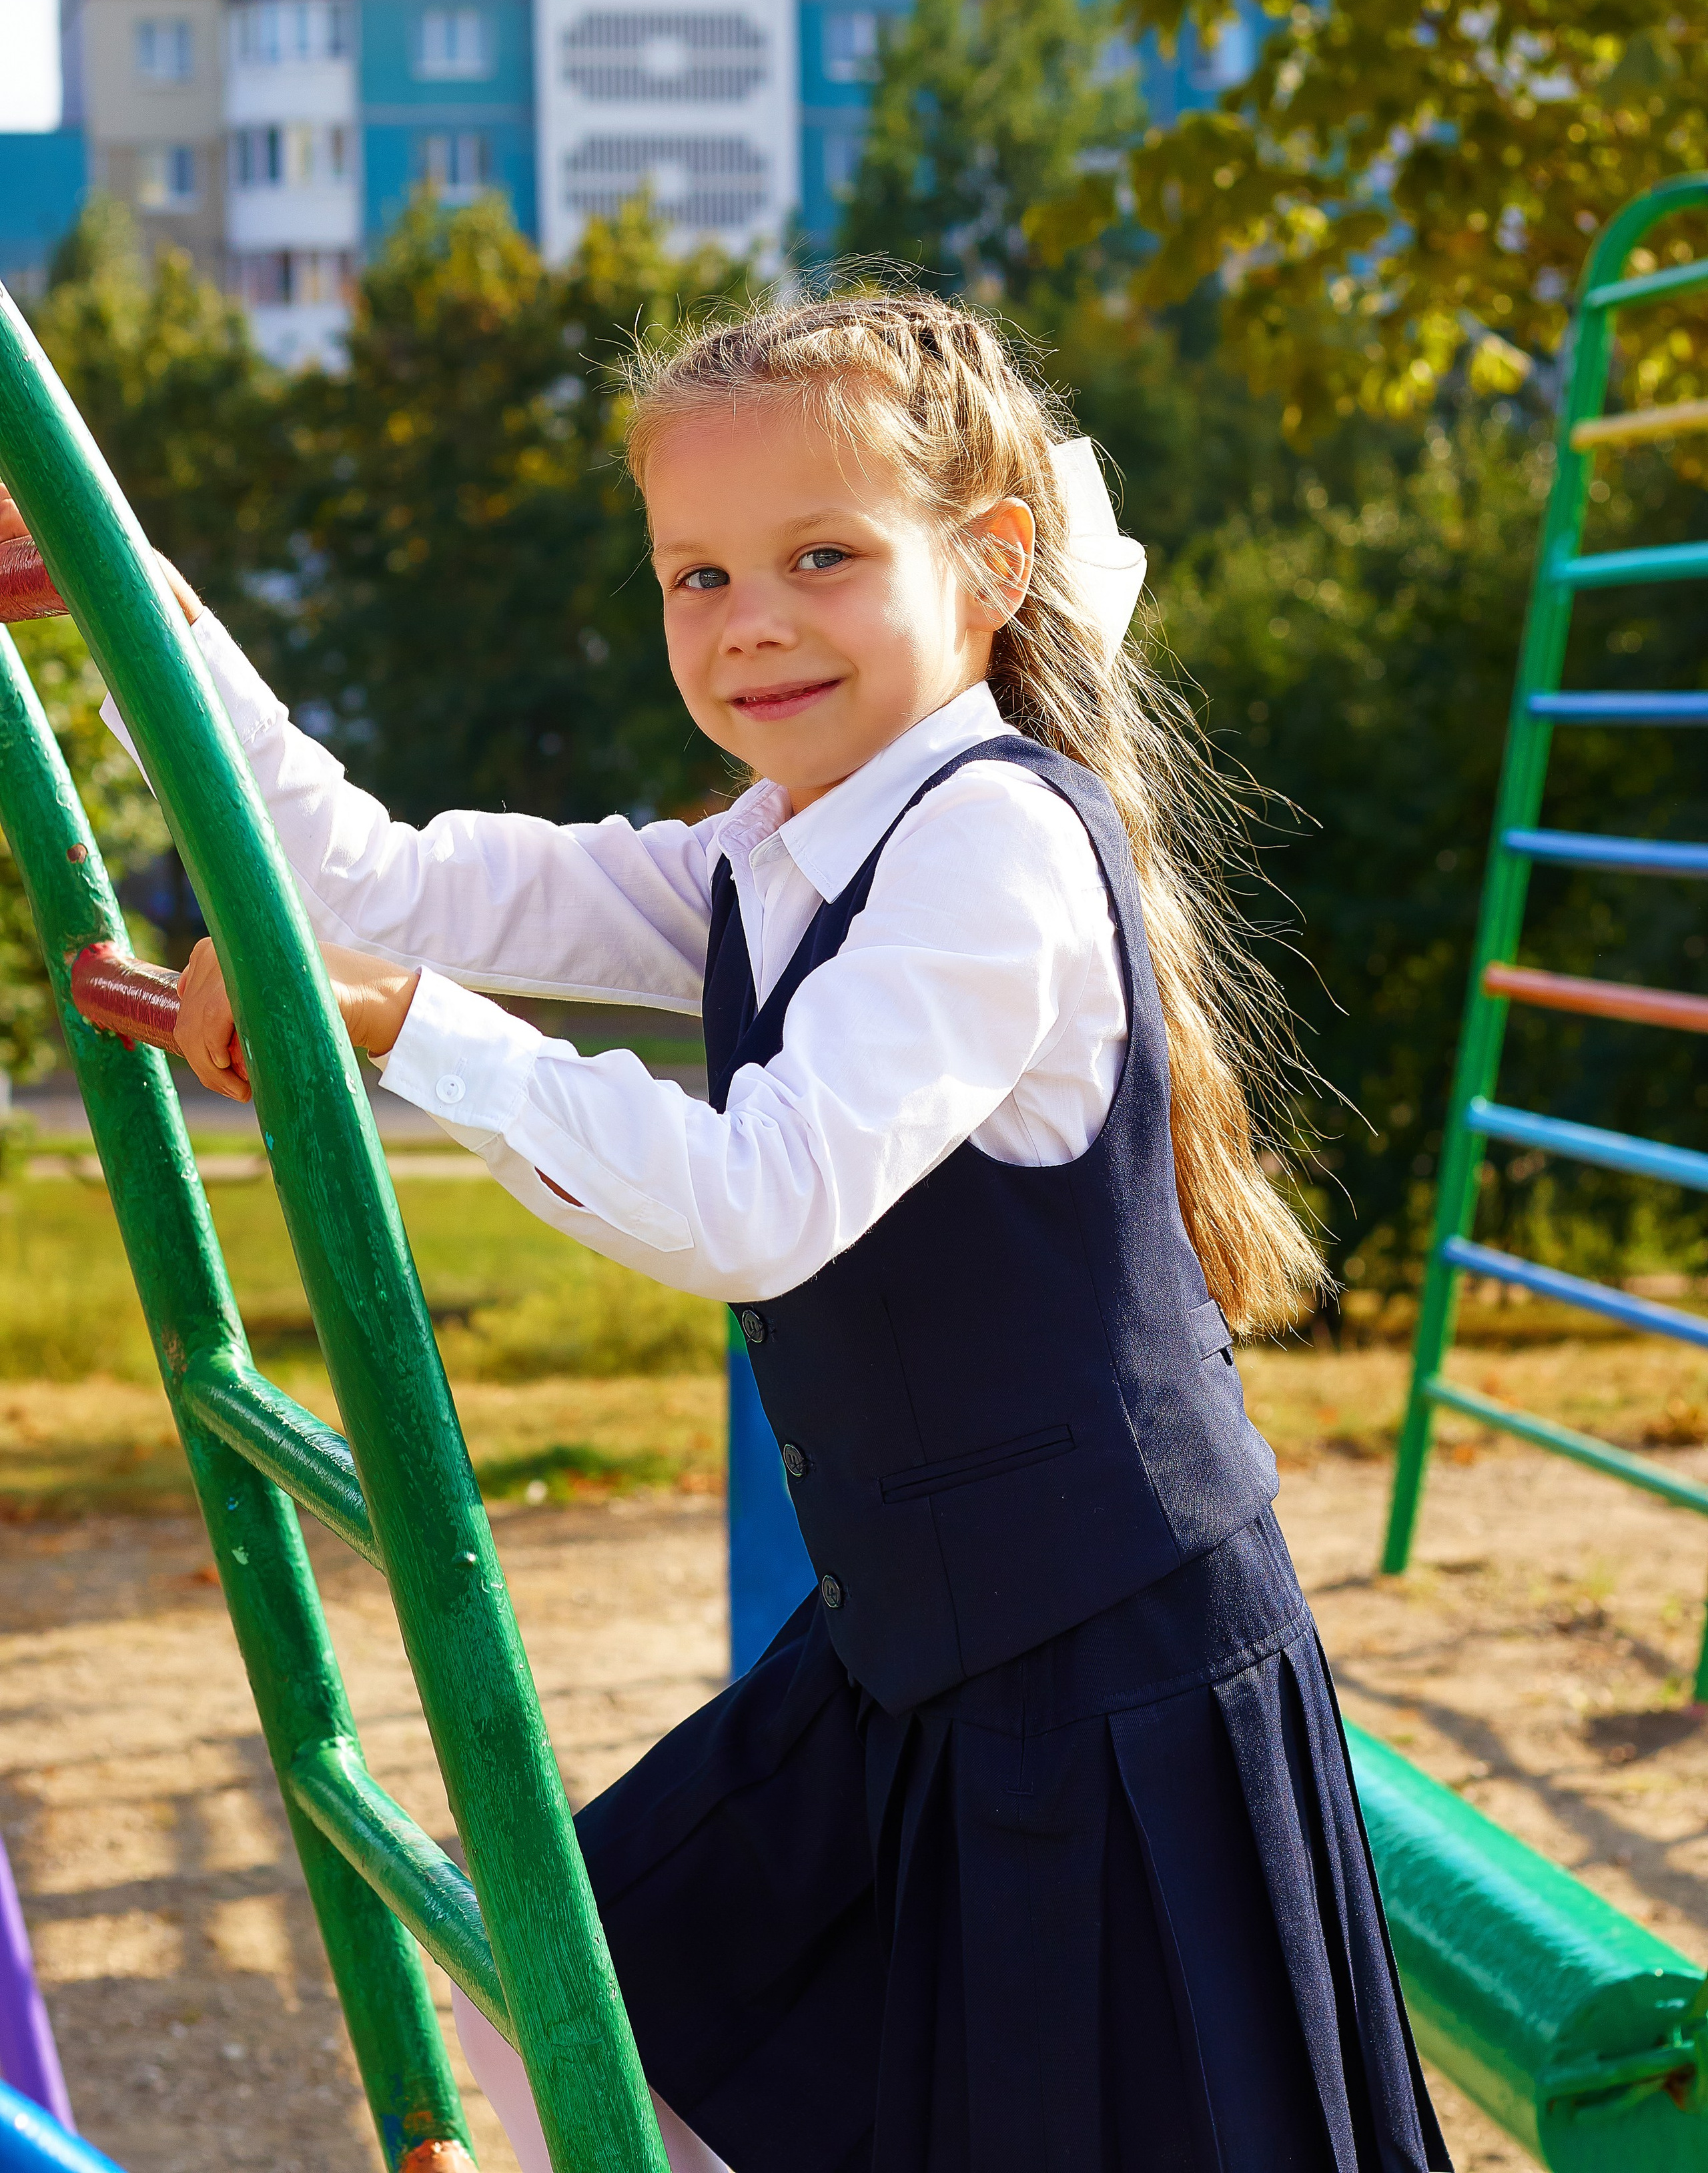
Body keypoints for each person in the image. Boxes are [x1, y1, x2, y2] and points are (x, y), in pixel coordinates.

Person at [19, 293, 1448, 2172]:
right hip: (916, 1652)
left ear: (993, 567)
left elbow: (757, 1203)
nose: (749, 618)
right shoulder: (765, 855)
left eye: (822, 558)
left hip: (1103, 1667)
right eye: (696, 575)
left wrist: (414, 1030)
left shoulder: (989, 845)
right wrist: (152, 621)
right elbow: (373, 878)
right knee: (566, 1993)